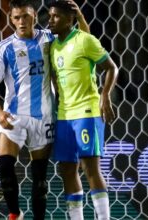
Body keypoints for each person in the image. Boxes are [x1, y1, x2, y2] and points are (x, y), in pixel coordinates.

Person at [0, 0, 89, 219]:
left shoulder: (49, 39)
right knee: (4, 167)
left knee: (40, 178)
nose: (21, 22)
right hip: (13, 116)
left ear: (34, 16)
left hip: (44, 117)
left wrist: (79, 17)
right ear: (11, 19)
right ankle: (15, 214)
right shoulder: (3, 48)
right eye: (16, 18)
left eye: (25, 16)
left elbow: (84, 40)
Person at [48, 1, 119, 219]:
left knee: (91, 169)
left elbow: (111, 67)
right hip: (63, 115)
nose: (50, 20)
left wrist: (105, 95)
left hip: (86, 112)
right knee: (68, 170)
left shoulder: (84, 40)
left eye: (56, 17)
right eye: (49, 16)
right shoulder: (52, 46)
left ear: (70, 20)